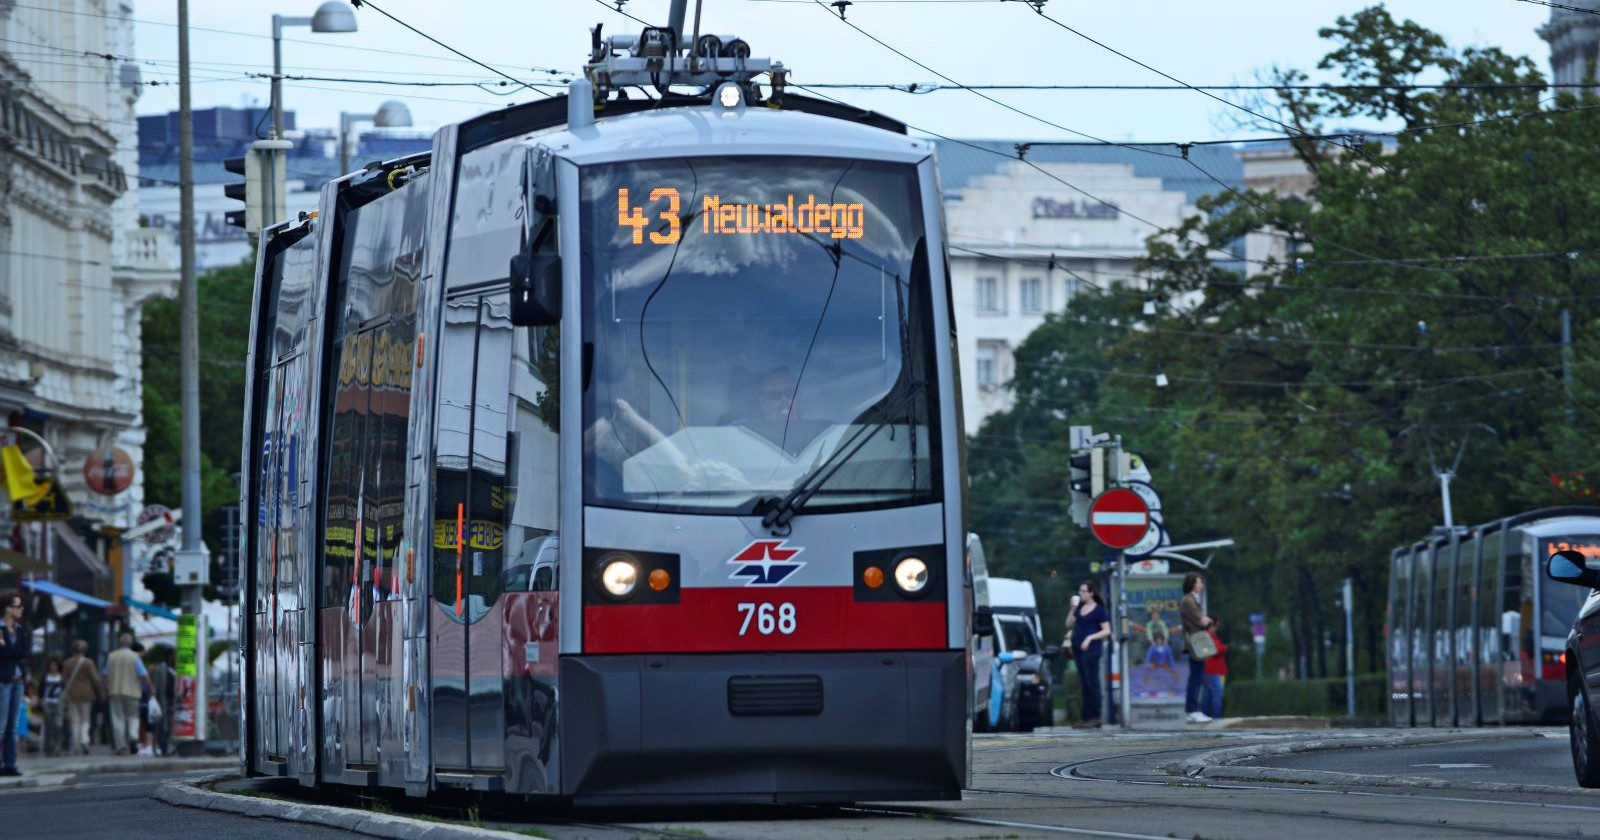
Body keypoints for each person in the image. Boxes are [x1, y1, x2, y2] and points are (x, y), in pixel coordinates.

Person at [1063, 580, 1111, 729]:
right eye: (1080, 591)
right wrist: (1072, 609)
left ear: (1091, 593)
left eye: (1083, 591)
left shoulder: (1098, 610)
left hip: (1092, 650)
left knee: (1092, 682)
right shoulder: (1080, 608)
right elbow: (1069, 624)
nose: (1081, 593)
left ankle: (1095, 716)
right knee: (1083, 683)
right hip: (1078, 650)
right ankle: (1085, 717)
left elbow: (1106, 630)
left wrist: (1090, 638)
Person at [1180, 571, 1216, 724]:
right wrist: (1209, 621)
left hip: (1197, 641)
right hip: (1195, 642)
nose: (1201, 584)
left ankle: (1193, 710)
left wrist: (1207, 620)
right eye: (1199, 582)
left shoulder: (1193, 599)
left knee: (1197, 676)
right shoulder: (1188, 601)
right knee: (1196, 677)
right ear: (1192, 584)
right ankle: (1192, 710)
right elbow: (1201, 621)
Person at [103, 633, 147, 756]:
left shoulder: (111, 656)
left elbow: (105, 674)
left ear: (119, 643)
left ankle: (121, 745)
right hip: (133, 691)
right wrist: (149, 687)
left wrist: (105, 688)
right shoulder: (135, 657)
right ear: (131, 644)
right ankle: (133, 736)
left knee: (118, 718)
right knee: (133, 716)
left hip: (115, 690)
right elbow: (143, 674)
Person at [60, 639, 104, 756]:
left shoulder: (67, 663)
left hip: (72, 694)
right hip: (86, 693)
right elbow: (95, 679)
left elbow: (63, 680)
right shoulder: (89, 663)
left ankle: (76, 744)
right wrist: (101, 692)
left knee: (74, 720)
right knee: (85, 719)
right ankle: (84, 739)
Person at [0, 592, 26, 776]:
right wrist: (12, 651)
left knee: (12, 725)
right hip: (3, 680)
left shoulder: (19, 629)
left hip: (18, 680)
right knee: (1, 724)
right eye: (18, 606)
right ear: (8, 608)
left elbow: (23, 652)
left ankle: (10, 763)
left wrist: (9, 650)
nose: (21, 609)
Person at [147, 650, 175, 756]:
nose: (175, 659)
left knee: (169, 725)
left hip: (172, 701)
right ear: (168, 657)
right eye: (173, 656)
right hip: (163, 700)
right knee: (162, 725)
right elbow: (155, 684)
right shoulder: (160, 669)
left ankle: (166, 747)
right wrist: (154, 697)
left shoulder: (175, 669)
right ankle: (162, 748)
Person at [1202, 622, 1229, 720]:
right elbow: (1217, 649)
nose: (1216, 628)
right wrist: (1224, 647)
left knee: (1208, 694)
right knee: (1217, 693)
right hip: (1213, 669)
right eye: (1215, 626)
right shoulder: (1210, 636)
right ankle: (1217, 717)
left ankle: (1205, 716)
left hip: (1207, 669)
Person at [40, 657, 63, 757]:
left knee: (58, 725)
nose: (53, 667)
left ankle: (57, 746)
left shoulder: (61, 678)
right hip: (48, 703)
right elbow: (41, 689)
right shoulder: (46, 677)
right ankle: (48, 747)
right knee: (48, 726)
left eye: (55, 665)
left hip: (58, 703)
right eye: (51, 665)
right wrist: (41, 700)